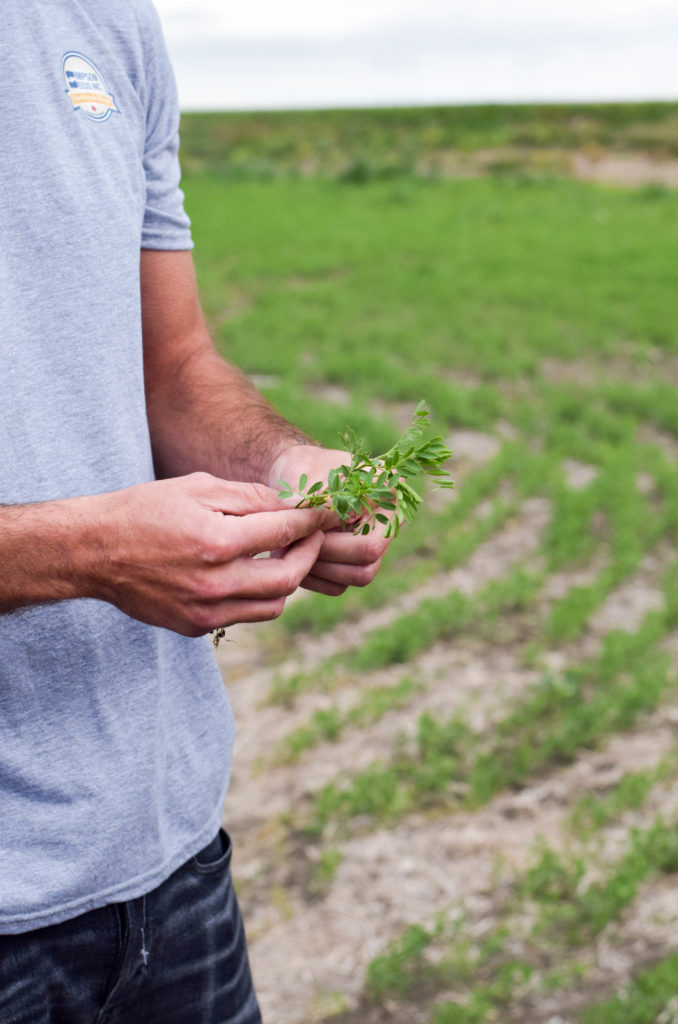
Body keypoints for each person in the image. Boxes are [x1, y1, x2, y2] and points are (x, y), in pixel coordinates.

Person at [0, 2, 389, 1020]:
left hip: (165, 860)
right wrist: (79, 550)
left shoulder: (107, 19)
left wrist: (286, 464)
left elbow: (173, 367)